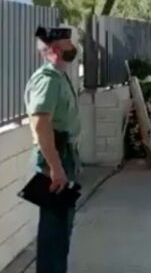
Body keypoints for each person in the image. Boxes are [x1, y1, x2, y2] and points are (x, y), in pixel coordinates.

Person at [26, 26, 81, 273]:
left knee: (60, 230)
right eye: (69, 44)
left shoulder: (59, 76)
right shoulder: (47, 80)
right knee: (54, 233)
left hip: (64, 155)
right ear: (56, 50)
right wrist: (56, 168)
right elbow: (40, 123)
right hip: (55, 158)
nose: (74, 48)